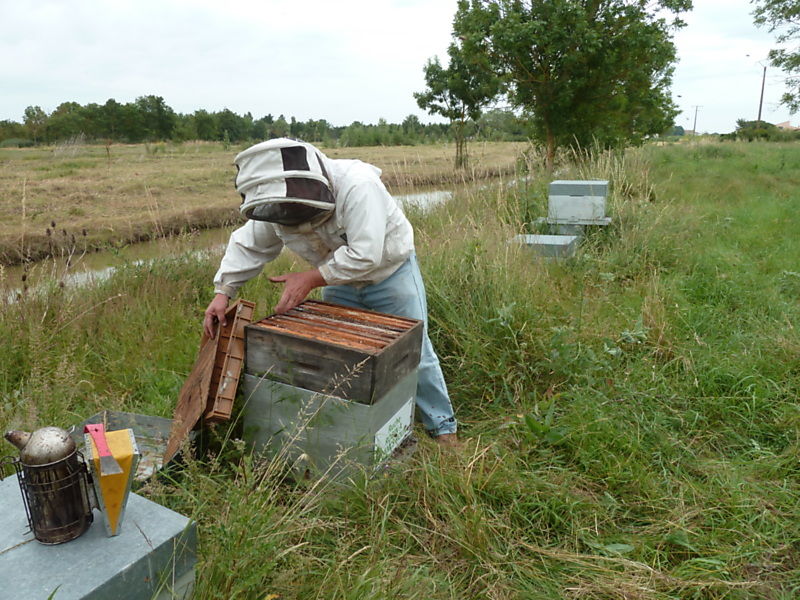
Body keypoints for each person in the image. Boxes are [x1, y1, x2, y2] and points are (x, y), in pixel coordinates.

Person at [203, 138, 458, 444]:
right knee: (339, 357)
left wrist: (310, 278)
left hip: (391, 274)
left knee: (414, 354)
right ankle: (351, 433)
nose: (291, 218)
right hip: (336, 281)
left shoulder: (358, 186)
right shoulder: (278, 200)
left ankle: (443, 428)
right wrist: (223, 291)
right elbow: (250, 245)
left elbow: (366, 254)